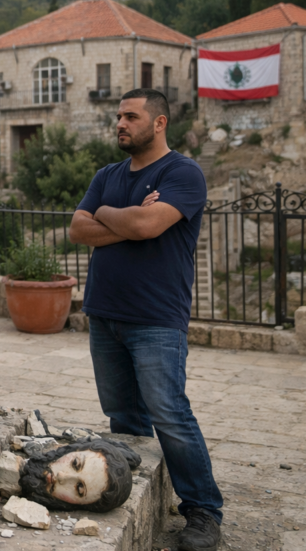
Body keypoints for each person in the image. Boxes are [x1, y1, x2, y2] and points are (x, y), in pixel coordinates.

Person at [69, 88, 222, 551]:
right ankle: (139, 490)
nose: (120, 123)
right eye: (118, 116)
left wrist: (111, 216)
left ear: (159, 123)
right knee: (124, 417)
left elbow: (146, 227)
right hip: (104, 313)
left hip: (156, 318)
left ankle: (202, 510)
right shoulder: (107, 174)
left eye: (131, 116)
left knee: (169, 415)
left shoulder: (183, 173)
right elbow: (77, 229)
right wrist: (130, 216)